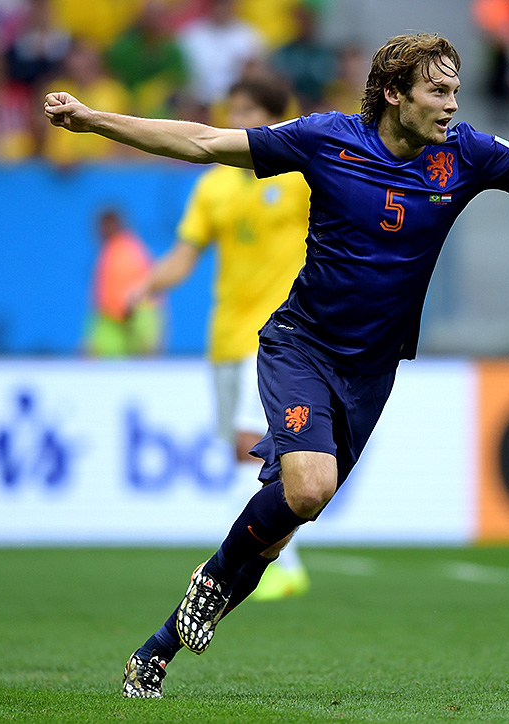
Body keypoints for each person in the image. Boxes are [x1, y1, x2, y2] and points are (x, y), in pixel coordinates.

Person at [44, 32, 509, 698]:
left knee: (284, 526)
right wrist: (94, 120)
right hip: (301, 346)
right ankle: (214, 579)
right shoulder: (325, 139)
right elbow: (204, 141)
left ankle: (155, 652)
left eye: (456, 91)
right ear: (394, 93)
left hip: (373, 372)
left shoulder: (466, 154)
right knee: (309, 487)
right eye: (438, 91)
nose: (452, 105)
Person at [128, 76, 312, 604]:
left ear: (276, 117)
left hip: (281, 335)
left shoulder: (301, 176)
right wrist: (147, 286)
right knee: (242, 453)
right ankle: (270, 560)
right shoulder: (214, 185)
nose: (237, 121)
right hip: (227, 336)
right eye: (233, 111)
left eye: (249, 110)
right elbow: (185, 254)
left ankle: (280, 566)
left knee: (256, 448)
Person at [86, 209, 162, 357]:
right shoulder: (113, 249)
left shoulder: (123, 250)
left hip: (131, 319)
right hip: (118, 319)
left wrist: (128, 312)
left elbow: (129, 292)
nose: (101, 231)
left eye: (105, 226)